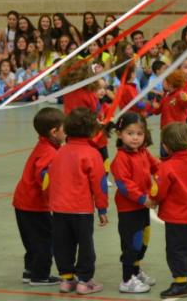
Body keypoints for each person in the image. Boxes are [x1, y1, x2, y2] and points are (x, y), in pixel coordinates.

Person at [48, 108, 109, 295]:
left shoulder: (59, 152)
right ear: (92, 131)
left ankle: (66, 280)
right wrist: (102, 208)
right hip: (81, 209)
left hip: (58, 209)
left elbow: (52, 178)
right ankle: (84, 281)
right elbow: (100, 184)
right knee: (85, 245)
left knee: (62, 244)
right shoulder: (92, 154)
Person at [152, 122, 187, 298]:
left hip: (176, 218)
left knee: (176, 250)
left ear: (166, 147)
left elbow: (159, 192)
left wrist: (152, 198)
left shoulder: (166, 167)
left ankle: (181, 282)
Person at [13, 107, 66, 287]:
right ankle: (40, 275)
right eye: (64, 129)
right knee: (45, 240)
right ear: (54, 132)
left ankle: (30, 271)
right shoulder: (49, 151)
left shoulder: (45, 144)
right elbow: (44, 176)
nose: (66, 133)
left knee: (33, 240)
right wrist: (55, 198)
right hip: (34, 204)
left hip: (23, 202)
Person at [109, 112, 160, 294]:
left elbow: (157, 167)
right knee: (132, 243)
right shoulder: (121, 159)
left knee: (143, 241)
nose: (135, 138)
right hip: (129, 209)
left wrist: (167, 173)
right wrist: (143, 198)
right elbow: (124, 186)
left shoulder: (143, 152)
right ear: (120, 134)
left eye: (139, 133)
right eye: (130, 133)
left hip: (142, 208)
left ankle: (136, 271)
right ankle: (127, 279)